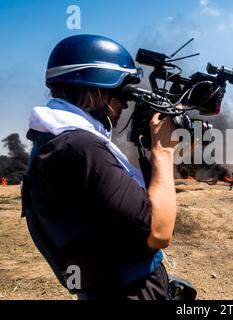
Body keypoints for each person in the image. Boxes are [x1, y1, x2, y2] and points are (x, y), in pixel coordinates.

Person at [21, 35, 179, 300]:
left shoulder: (57, 140)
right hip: (125, 292)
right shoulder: (80, 147)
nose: (126, 104)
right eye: (121, 93)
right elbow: (158, 232)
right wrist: (162, 152)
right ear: (96, 90)